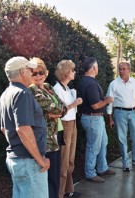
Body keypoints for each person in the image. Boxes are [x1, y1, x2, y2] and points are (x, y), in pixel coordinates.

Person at [0, 56, 50, 198]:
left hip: (17, 160)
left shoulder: (5, 94)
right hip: (29, 162)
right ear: (22, 72)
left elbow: (4, 129)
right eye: (30, 70)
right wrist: (40, 160)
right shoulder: (22, 94)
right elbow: (23, 129)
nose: (32, 73)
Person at [28, 57, 67, 198]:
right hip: (45, 141)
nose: (38, 76)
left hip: (56, 137)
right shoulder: (32, 91)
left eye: (41, 72)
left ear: (46, 73)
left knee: (55, 177)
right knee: (47, 181)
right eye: (34, 73)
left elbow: (62, 108)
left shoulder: (49, 87)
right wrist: (57, 111)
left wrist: (57, 111)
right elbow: (57, 110)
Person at [79, 56, 116, 183]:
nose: (98, 68)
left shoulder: (86, 81)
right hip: (93, 119)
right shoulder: (90, 83)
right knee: (93, 146)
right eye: (97, 66)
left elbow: (94, 101)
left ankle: (102, 168)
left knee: (103, 143)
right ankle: (90, 173)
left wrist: (103, 99)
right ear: (94, 68)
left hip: (94, 119)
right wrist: (107, 100)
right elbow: (95, 105)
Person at [106, 61, 135, 172]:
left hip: (134, 112)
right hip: (120, 113)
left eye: (124, 69)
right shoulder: (114, 84)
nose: (122, 71)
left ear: (129, 70)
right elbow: (110, 101)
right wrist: (109, 117)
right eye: (120, 69)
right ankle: (125, 162)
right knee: (122, 137)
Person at [53, 60, 82, 198]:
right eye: (72, 70)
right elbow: (59, 111)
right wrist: (74, 103)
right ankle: (59, 193)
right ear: (66, 72)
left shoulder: (67, 88)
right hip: (65, 125)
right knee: (64, 159)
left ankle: (68, 189)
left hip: (72, 123)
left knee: (70, 158)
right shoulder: (57, 89)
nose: (74, 72)